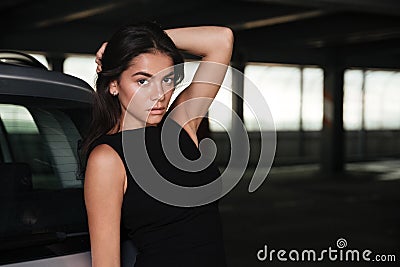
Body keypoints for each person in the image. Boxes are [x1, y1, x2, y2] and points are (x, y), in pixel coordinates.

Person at [81, 21, 233, 267]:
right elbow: (106, 262)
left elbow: (221, 39)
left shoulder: (181, 127)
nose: (159, 95)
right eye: (143, 81)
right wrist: (126, 44)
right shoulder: (107, 158)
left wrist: (135, 41)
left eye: (167, 80)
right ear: (114, 84)